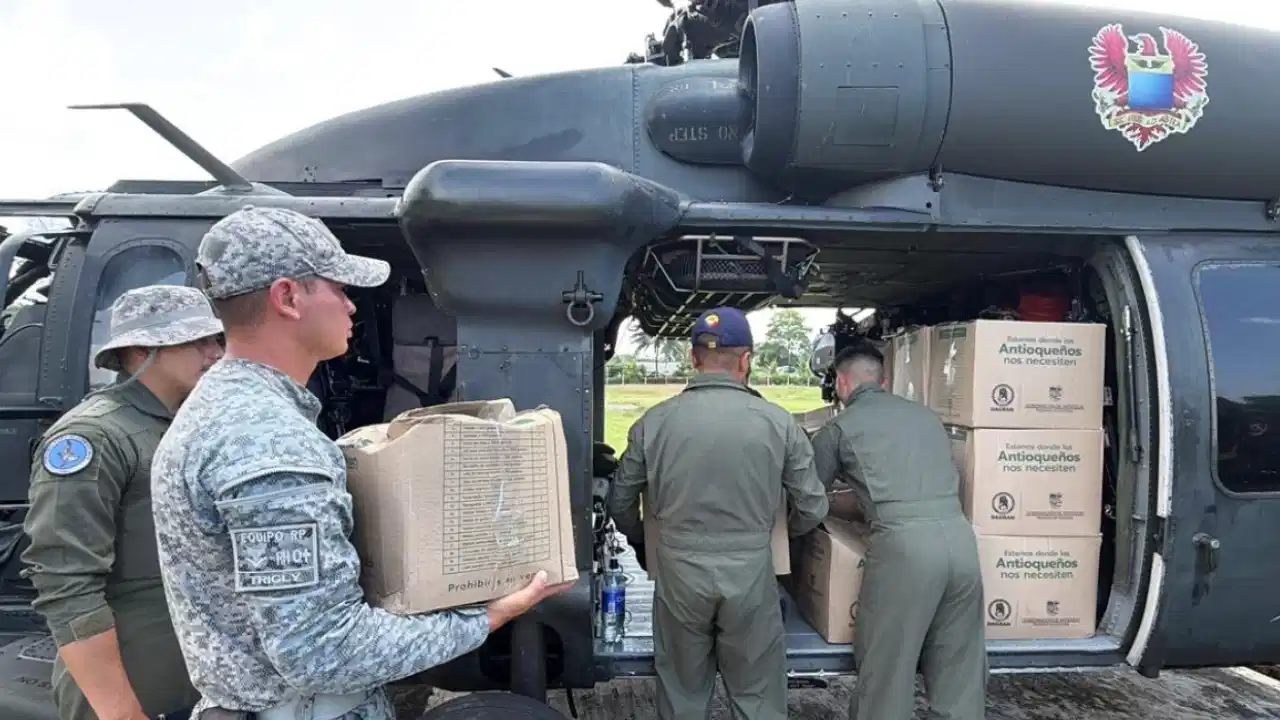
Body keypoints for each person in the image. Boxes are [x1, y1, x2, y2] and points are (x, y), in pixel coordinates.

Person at [149, 205, 573, 720]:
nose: (352, 306)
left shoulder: (221, 410)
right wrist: (489, 615)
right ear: (288, 298)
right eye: (339, 288)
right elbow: (324, 653)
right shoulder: (267, 442)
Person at [608, 306, 829, 720]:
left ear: (694, 358)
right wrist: (779, 536)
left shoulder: (654, 422)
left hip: (678, 569)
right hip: (750, 568)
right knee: (758, 695)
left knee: (682, 693)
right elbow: (813, 506)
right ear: (747, 360)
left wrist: (642, 541)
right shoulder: (778, 422)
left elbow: (620, 501)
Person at [22, 284, 226, 720]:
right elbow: (66, 585)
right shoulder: (94, 437)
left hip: (195, 679)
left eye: (216, 339)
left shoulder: (191, 425)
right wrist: (120, 711)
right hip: (134, 684)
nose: (215, 353)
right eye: (195, 341)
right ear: (140, 351)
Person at [809, 341, 987, 720]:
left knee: (887, 670)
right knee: (959, 671)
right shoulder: (927, 418)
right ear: (884, 382)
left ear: (841, 383)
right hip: (961, 543)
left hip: (906, 553)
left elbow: (809, 500)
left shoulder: (838, 429)